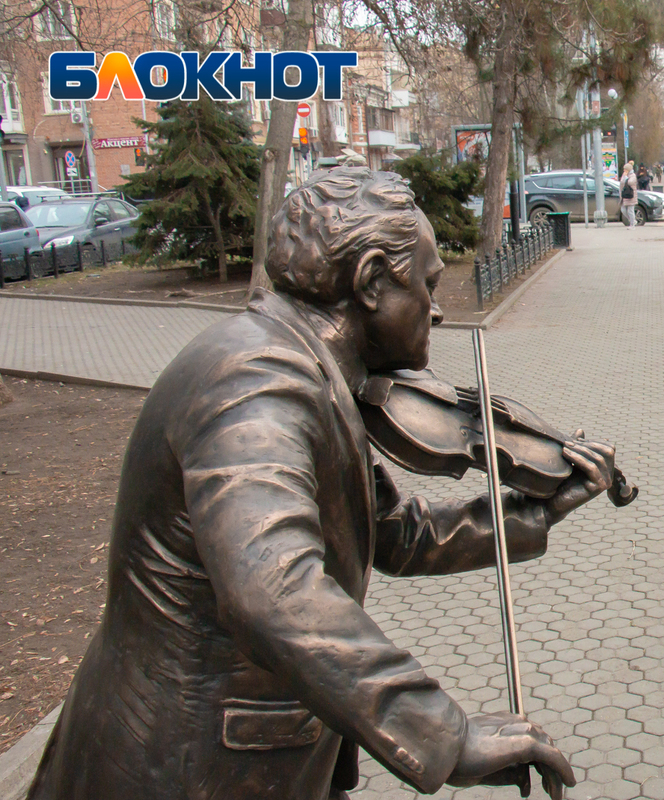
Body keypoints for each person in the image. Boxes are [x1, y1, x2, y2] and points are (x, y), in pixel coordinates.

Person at [26, 168, 612, 800]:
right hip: (184, 764)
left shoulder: (312, 369)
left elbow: (391, 530)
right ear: (368, 284)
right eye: (428, 283)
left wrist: (533, 514)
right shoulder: (255, 382)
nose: (438, 309)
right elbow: (272, 590)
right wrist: (444, 733)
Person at [619, 160, 639, 228]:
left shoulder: (633, 175)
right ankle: (632, 220)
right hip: (625, 195)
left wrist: (626, 178)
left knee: (630, 210)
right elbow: (621, 182)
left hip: (631, 195)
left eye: (625, 169)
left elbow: (630, 182)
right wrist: (624, 176)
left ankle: (632, 224)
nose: (624, 170)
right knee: (623, 209)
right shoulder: (624, 175)